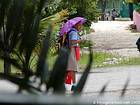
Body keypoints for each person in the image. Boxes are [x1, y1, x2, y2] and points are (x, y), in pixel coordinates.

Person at [66, 22, 83, 91]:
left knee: (69, 68)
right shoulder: (73, 32)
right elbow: (72, 42)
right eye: (80, 25)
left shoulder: (72, 31)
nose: (81, 26)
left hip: (71, 50)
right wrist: (80, 40)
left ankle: (73, 84)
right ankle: (74, 85)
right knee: (72, 68)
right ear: (76, 25)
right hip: (72, 50)